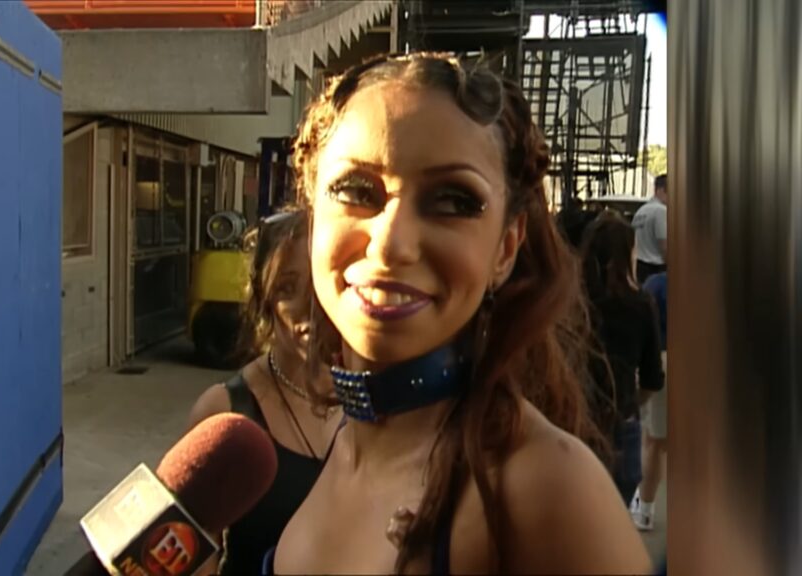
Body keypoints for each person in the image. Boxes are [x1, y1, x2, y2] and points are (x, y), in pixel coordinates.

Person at [271, 52, 651, 574]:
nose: (390, 246)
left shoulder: (541, 486)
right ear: (313, 213)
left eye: (452, 201)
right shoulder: (341, 433)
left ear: (505, 248)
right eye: (357, 190)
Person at [185, 208, 337, 575]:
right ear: (263, 298)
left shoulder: (380, 402)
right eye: (287, 287)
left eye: (320, 284)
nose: (309, 308)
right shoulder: (225, 410)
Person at [580, 212, 665, 507]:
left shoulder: (568, 303)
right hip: (621, 424)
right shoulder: (641, 305)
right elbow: (653, 379)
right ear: (628, 253)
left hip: (571, 426)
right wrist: (631, 401)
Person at [632, 271, 668, 530]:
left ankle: (645, 511)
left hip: (666, 360)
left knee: (654, 443)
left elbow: (645, 331)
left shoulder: (657, 284)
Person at [632, 174, 668, 284]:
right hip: (656, 269)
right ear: (661, 190)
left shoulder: (641, 211)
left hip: (639, 267)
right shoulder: (662, 211)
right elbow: (665, 245)